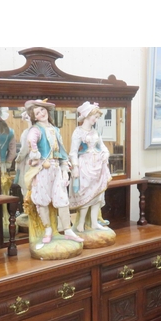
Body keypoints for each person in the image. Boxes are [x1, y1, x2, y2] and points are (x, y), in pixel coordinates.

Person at [24, 99, 83, 245]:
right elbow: (32, 139)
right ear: (35, 117)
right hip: (43, 169)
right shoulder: (36, 129)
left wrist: (64, 167)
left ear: (47, 111)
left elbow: (62, 151)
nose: (41, 113)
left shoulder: (55, 129)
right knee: (42, 199)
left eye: (42, 110)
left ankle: (67, 230)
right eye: (37, 113)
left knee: (62, 198)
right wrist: (36, 152)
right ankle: (48, 229)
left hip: (56, 168)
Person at [69, 101, 112, 232]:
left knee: (97, 196)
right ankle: (80, 223)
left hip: (98, 166)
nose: (96, 119)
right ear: (87, 115)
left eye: (97, 117)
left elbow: (103, 147)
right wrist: (75, 167)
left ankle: (94, 222)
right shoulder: (78, 132)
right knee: (85, 194)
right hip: (85, 165)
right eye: (95, 116)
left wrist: (106, 153)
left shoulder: (96, 132)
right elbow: (73, 151)